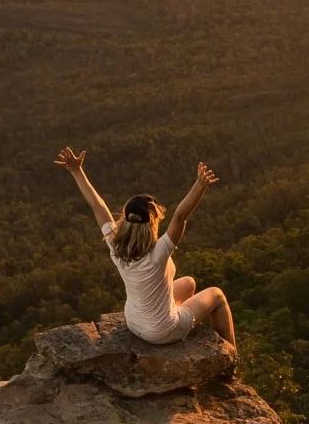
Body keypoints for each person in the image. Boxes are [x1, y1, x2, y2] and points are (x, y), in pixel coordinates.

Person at [54, 147, 236, 348]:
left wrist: (77, 171)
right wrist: (199, 185)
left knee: (189, 283)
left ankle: (170, 316)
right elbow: (180, 217)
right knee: (217, 295)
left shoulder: (115, 244)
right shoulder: (158, 253)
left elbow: (98, 206)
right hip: (162, 331)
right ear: (152, 224)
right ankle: (231, 356)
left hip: (134, 322)